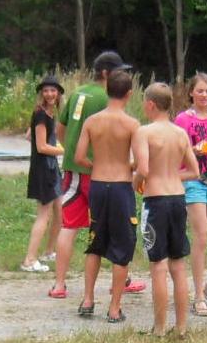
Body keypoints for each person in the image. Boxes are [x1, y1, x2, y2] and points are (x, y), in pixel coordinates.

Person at [50, 51, 145, 298]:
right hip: (101, 174)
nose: (122, 75)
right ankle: (123, 280)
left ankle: (59, 284)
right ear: (105, 73)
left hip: (73, 169)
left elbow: (60, 129)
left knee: (69, 225)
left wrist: (71, 150)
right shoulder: (107, 97)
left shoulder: (78, 92)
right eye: (118, 71)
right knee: (114, 225)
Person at [133, 83, 200, 336]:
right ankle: (181, 326)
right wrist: (172, 174)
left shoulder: (144, 132)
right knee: (178, 265)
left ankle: (160, 327)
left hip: (156, 200)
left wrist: (135, 183)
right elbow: (194, 171)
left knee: (158, 266)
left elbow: (143, 169)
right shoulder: (180, 133)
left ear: (150, 104)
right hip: (178, 198)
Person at [74, 70, 140, 322]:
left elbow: (79, 157)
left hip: (99, 185)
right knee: (122, 246)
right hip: (121, 186)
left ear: (107, 90)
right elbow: (139, 161)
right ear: (129, 94)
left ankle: (87, 299)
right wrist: (127, 166)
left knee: (95, 242)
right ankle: (114, 308)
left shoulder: (92, 121)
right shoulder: (132, 124)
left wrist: (97, 165)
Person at [174, 72, 207, 317]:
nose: (204, 95)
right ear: (191, 93)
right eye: (200, 91)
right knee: (201, 236)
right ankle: (197, 295)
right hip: (193, 180)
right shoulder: (183, 119)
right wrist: (193, 151)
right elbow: (179, 148)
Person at [21, 75, 65, 273]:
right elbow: (41, 147)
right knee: (43, 216)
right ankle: (29, 260)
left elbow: (28, 135)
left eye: (53, 90)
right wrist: (64, 151)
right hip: (43, 171)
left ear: (58, 93)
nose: (49, 94)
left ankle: (49, 251)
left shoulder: (48, 114)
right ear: (41, 93)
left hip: (51, 168)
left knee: (60, 211)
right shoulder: (40, 114)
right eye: (46, 91)